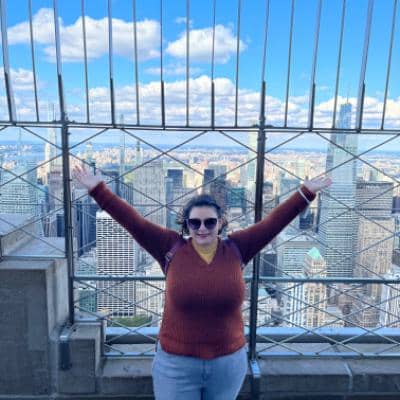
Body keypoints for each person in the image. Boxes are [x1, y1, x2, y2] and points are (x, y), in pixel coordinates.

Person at [73, 164, 331, 400]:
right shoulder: (170, 247)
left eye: (209, 222)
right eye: (194, 223)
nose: (202, 228)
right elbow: (134, 223)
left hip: (228, 363)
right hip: (175, 365)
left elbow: (272, 224)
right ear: (186, 225)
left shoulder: (237, 248)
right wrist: (98, 189)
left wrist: (305, 193)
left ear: (220, 223)